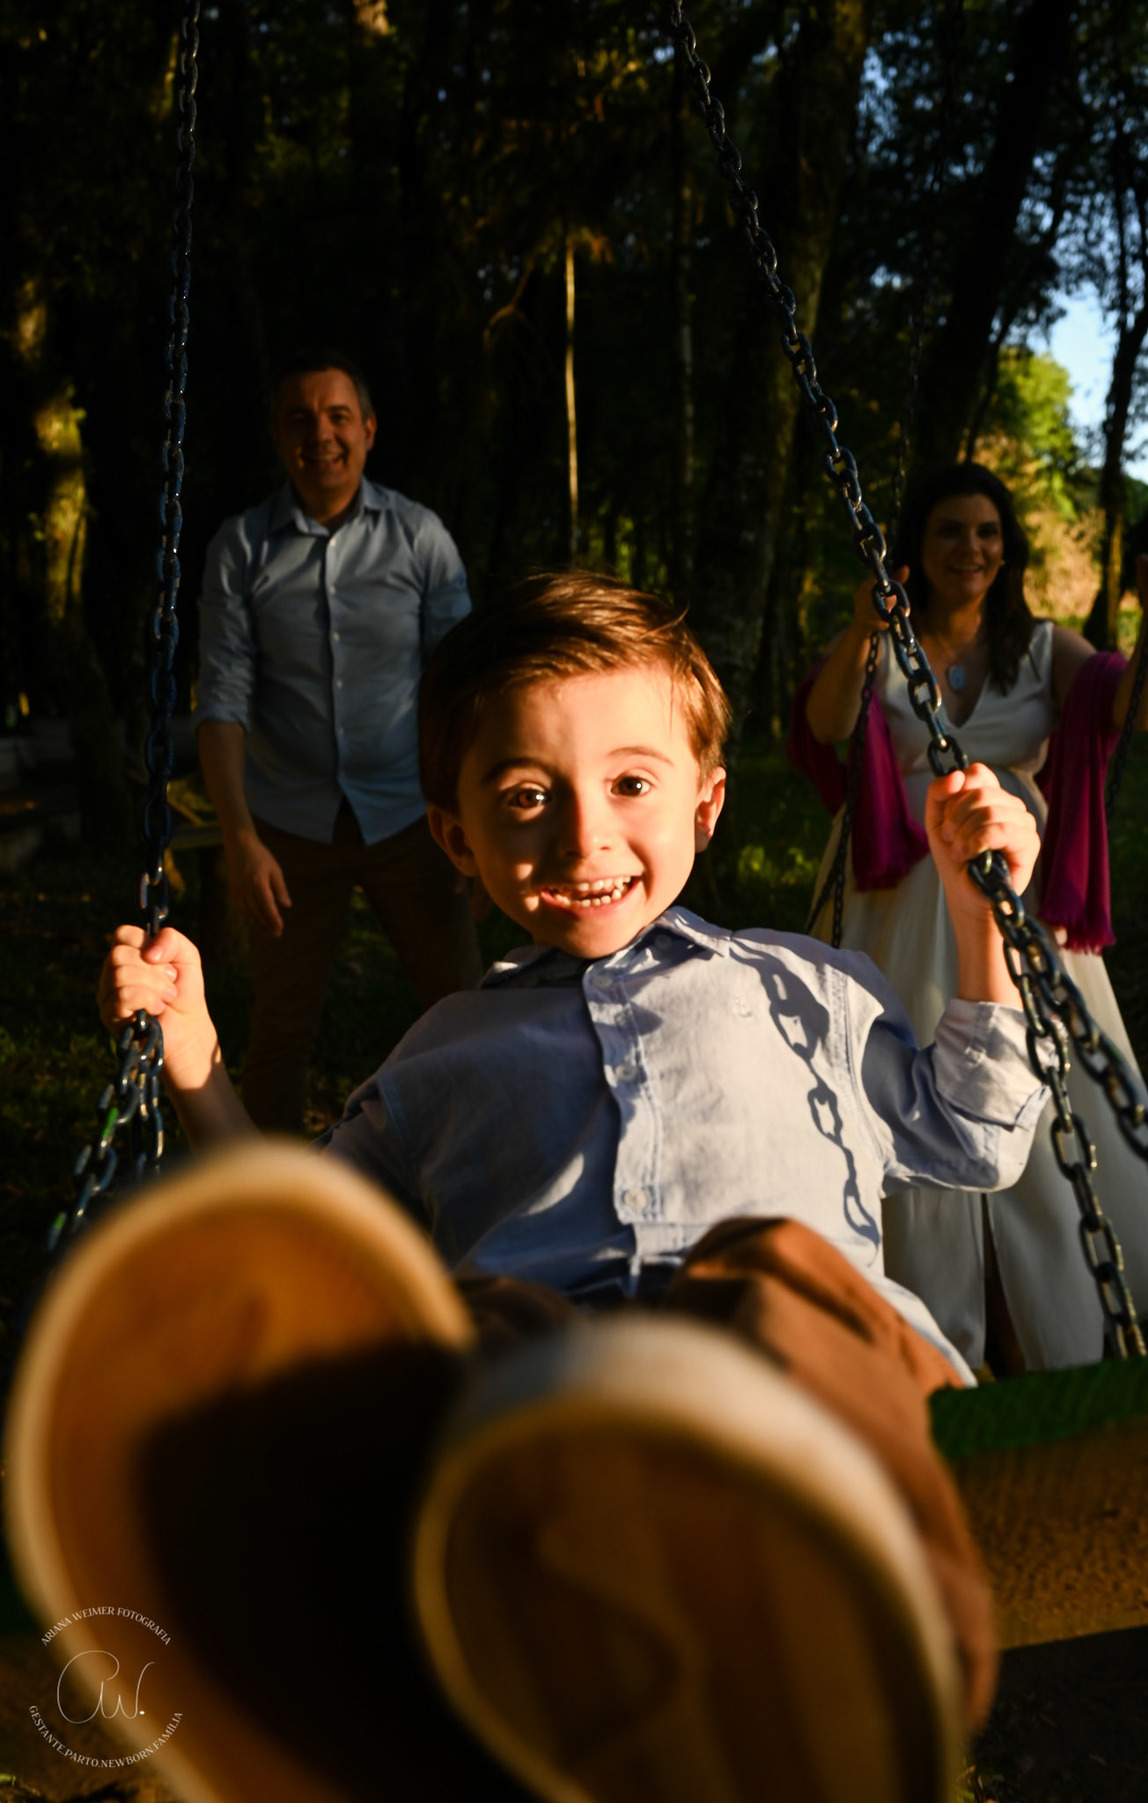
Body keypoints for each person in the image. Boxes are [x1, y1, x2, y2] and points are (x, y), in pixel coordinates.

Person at [50, 573, 1045, 1800]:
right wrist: (196, 1062)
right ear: (456, 837)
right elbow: (308, 1239)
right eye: (527, 797)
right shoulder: (440, 1052)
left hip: (803, 1386)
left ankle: (854, 1641)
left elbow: (979, 1136)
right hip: (546, 1409)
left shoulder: (805, 985)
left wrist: (982, 918)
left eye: (631, 784)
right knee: (474, 1335)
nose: (583, 840)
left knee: (769, 1277)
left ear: (706, 802)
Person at [792, 460, 1148, 1374]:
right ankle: (919, 1315)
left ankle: (1049, 1310)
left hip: (1015, 886)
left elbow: (1137, 707)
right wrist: (864, 626)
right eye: (950, 530)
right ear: (916, 544)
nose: (970, 548)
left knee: (1039, 1083)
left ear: (1006, 547)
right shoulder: (883, 636)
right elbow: (825, 725)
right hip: (894, 892)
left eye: (986, 531)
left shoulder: (1042, 646)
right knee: (901, 1071)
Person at [193, 350, 482, 1134]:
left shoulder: (419, 536)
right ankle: (270, 1192)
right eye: (299, 419)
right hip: (288, 828)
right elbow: (222, 697)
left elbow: (462, 683)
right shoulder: (240, 547)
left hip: (415, 817)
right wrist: (240, 839)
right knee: (280, 1030)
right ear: (277, 437)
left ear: (369, 430)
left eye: (337, 416)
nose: (319, 434)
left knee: (465, 1009)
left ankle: (476, 1173)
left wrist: (475, 821)